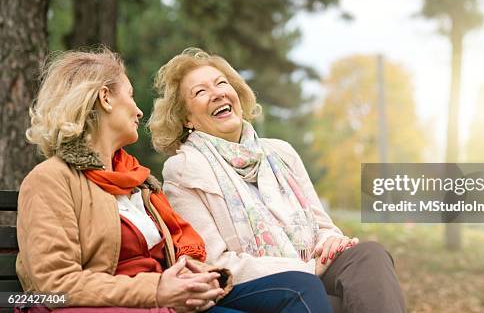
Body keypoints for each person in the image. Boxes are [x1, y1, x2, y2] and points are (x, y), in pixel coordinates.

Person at [17, 48, 332, 313]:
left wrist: (202, 278)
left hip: (168, 304)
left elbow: (180, 254)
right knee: (300, 287)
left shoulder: (138, 183)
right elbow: (52, 285)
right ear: (105, 98)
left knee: (299, 287)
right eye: (130, 95)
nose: (140, 111)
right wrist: (156, 288)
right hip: (124, 305)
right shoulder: (50, 180)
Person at [148, 48, 406, 313]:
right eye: (200, 92)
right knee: (325, 301)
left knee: (369, 255)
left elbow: (322, 225)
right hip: (258, 287)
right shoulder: (184, 170)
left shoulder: (281, 152)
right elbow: (215, 262)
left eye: (222, 83)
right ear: (186, 118)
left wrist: (332, 241)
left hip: (313, 267)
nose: (217, 93)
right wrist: (303, 268)